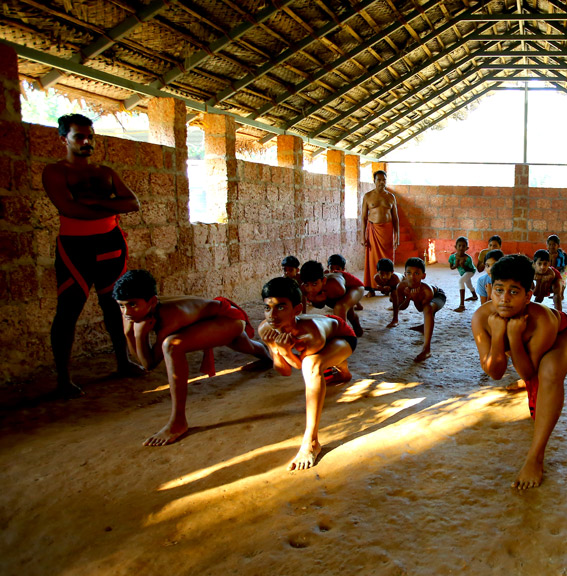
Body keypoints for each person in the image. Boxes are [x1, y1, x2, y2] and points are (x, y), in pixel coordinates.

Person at [43, 113, 144, 396]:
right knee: (68, 309)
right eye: (80, 137)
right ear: (64, 139)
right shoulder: (55, 172)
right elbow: (70, 209)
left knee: (114, 305)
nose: (87, 142)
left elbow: (133, 204)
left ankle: (122, 362)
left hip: (111, 243)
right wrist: (112, 204)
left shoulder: (105, 172)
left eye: (90, 137)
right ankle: (63, 379)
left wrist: (96, 203)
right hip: (75, 248)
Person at [113, 270, 270, 446]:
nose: (126, 311)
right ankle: (270, 358)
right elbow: (141, 358)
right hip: (210, 318)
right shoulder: (135, 310)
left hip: (228, 316)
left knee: (172, 345)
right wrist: (129, 333)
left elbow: (148, 364)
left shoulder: (170, 317)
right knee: (244, 345)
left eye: (132, 304)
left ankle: (178, 421)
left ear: (152, 302)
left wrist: (139, 336)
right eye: (121, 305)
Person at [471, 254, 567, 490]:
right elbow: (495, 373)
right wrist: (499, 335)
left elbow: (530, 373)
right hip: (526, 354)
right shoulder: (481, 318)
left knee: (548, 372)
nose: (504, 299)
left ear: (528, 295)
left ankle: (535, 457)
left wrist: (513, 337)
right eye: (499, 290)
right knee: (534, 371)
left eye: (514, 292)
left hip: (562, 336)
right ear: (489, 290)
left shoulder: (542, 320)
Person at [259, 277, 356, 471]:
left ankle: (311, 442)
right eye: (268, 308)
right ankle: (343, 372)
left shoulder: (311, 334)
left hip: (342, 334)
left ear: (296, 310)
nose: (272, 315)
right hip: (325, 335)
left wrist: (285, 352)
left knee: (313, 363)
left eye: (280, 307)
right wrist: (274, 348)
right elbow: (284, 371)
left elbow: (304, 367)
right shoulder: (266, 329)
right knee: (319, 362)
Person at [387, 258, 446, 362]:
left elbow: (420, 309)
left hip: (438, 296)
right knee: (427, 309)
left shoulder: (427, 290)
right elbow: (401, 307)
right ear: (404, 274)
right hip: (421, 299)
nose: (412, 277)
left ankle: (426, 349)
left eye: (417, 273)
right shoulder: (401, 286)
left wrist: (413, 298)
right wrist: (409, 298)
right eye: (409, 273)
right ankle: (425, 327)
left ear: (423, 276)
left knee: (428, 309)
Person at [299, 260, 365, 336]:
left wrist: (315, 298)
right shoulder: (303, 288)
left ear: (323, 281)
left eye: (314, 284)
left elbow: (341, 299)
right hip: (334, 291)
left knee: (340, 307)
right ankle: (357, 327)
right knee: (346, 311)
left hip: (354, 286)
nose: (310, 289)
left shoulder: (335, 286)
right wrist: (304, 314)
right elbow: (319, 305)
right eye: (307, 285)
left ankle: (343, 337)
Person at [362, 169, 400, 290]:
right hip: (373, 231)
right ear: (374, 181)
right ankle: (372, 287)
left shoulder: (391, 197)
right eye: (379, 180)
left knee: (388, 260)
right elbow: (363, 217)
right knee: (372, 260)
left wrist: (396, 236)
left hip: (387, 232)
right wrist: (363, 236)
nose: (381, 182)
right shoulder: (368, 196)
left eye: (384, 180)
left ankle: (389, 287)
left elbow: (395, 218)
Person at [448, 236, 478, 312]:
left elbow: (471, 269)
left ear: (467, 248)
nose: (461, 248)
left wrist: (463, 265)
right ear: (456, 247)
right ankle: (474, 296)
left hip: (470, 271)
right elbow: (451, 267)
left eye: (463, 246)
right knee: (468, 284)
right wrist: (456, 265)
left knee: (460, 281)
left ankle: (462, 305)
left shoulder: (468, 258)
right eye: (459, 246)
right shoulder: (452, 257)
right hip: (464, 273)